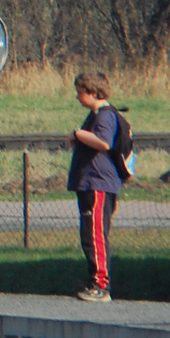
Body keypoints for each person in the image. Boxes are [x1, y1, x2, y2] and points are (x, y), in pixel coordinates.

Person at [67, 70, 121, 302]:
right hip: (90, 183)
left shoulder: (105, 116)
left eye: (80, 93)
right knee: (89, 235)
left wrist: (78, 134)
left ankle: (101, 285)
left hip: (98, 183)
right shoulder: (96, 114)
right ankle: (94, 280)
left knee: (96, 235)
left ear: (92, 92)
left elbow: (104, 142)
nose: (78, 97)